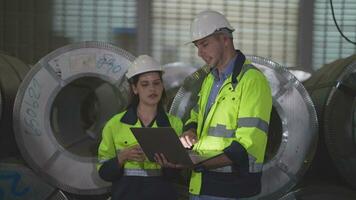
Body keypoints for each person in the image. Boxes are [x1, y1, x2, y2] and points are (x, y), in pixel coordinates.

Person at [179, 10, 273, 199]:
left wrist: (197, 162)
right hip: (201, 185)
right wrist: (190, 132)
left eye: (205, 44)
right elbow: (196, 117)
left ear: (225, 40)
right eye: (197, 46)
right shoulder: (210, 80)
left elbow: (248, 144)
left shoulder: (252, 80)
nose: (200, 53)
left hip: (231, 189)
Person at [97, 55, 183, 200]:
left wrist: (167, 165)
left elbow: (176, 176)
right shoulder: (115, 124)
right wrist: (122, 157)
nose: (152, 89)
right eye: (145, 84)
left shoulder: (175, 124)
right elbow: (104, 173)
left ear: (162, 86)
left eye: (156, 83)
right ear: (134, 88)